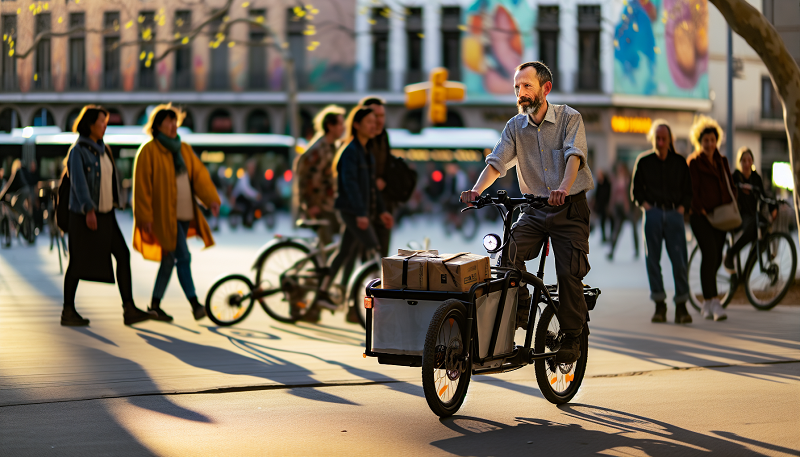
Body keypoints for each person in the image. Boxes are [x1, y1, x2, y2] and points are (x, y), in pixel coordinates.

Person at [460, 61, 594, 364]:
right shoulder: (514, 127)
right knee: (507, 256)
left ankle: (573, 335)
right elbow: (496, 162)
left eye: (527, 86)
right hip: (534, 210)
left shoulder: (569, 119)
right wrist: (477, 190)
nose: (520, 93)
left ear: (545, 89)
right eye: (517, 87)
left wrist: (563, 186)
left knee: (568, 273)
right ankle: (520, 312)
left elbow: (574, 156)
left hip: (569, 208)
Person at [61, 105, 153, 326]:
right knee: (77, 262)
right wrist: (88, 209)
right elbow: (79, 184)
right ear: (90, 125)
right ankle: (68, 311)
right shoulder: (78, 151)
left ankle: (129, 309)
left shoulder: (104, 149)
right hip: (85, 215)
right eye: (102, 122)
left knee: (123, 254)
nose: (105, 126)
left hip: (106, 214)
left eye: (106, 122)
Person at [132, 104, 221, 322]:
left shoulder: (184, 149)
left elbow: (199, 176)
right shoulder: (149, 150)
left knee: (169, 259)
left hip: (185, 213)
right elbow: (142, 187)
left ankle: (154, 305)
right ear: (157, 125)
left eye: (175, 121)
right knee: (183, 256)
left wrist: (211, 199)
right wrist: (145, 217)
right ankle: (195, 305)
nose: (173, 125)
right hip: (163, 216)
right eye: (169, 121)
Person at [317, 107, 394, 323]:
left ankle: (323, 292)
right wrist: (361, 214)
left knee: (344, 252)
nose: (374, 125)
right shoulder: (350, 151)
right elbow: (350, 187)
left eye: (375, 121)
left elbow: (370, 186)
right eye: (369, 122)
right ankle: (375, 303)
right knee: (374, 250)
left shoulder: (365, 150)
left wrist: (381, 211)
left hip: (360, 211)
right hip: (351, 211)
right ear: (357, 125)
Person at [631, 120, 693, 324]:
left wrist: (682, 208)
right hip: (653, 214)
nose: (660, 141)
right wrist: (647, 207)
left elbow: (688, 191)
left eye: (663, 138)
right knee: (652, 262)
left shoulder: (680, 162)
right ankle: (660, 305)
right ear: (653, 139)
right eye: (657, 138)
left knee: (680, 262)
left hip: (674, 214)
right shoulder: (644, 161)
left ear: (669, 140)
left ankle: (682, 306)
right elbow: (636, 191)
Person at [687, 115, 734, 322]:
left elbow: (730, 186)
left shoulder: (722, 161)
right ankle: (715, 302)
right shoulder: (694, 162)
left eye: (712, 140)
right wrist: (701, 209)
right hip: (701, 216)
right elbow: (691, 190)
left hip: (721, 217)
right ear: (700, 142)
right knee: (711, 254)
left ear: (717, 141)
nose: (709, 144)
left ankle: (706, 303)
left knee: (714, 259)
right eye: (705, 140)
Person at [293, 105, 346, 247]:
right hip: (320, 206)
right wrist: (310, 204)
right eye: (340, 124)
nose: (343, 128)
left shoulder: (332, 147)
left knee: (330, 246)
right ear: (330, 126)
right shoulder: (318, 149)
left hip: (330, 204)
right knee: (328, 248)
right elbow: (305, 178)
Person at [724, 147, 778, 272]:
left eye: (749, 160)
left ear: (752, 161)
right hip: (738, 216)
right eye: (744, 160)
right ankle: (731, 254)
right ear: (740, 162)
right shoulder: (735, 177)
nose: (747, 164)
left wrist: (773, 207)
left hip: (754, 217)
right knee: (754, 224)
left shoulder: (756, 178)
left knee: (763, 228)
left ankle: (747, 271)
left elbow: (763, 196)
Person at [360, 97, 395, 258]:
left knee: (382, 254)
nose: (380, 120)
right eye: (376, 116)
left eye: (382, 116)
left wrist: (386, 180)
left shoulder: (384, 136)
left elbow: (388, 164)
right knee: (362, 253)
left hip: (383, 203)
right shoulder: (359, 140)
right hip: (363, 204)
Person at [607, 161, 639, 260]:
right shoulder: (615, 180)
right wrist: (611, 206)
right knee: (617, 229)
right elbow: (613, 195)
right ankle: (611, 251)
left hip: (628, 208)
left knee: (634, 228)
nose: (620, 170)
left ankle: (637, 250)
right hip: (619, 208)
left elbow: (634, 193)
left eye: (621, 168)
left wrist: (635, 208)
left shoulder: (629, 179)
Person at [231, 158, 261, 228]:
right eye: (251, 168)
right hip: (239, 198)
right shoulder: (244, 176)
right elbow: (246, 190)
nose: (253, 170)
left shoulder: (251, 177)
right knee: (249, 204)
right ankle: (246, 222)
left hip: (243, 197)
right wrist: (256, 195)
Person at [593, 169, 612, 242]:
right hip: (600, 205)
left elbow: (609, 194)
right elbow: (597, 195)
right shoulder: (599, 184)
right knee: (602, 222)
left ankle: (610, 236)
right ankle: (603, 236)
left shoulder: (607, 184)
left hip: (606, 205)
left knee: (609, 221)